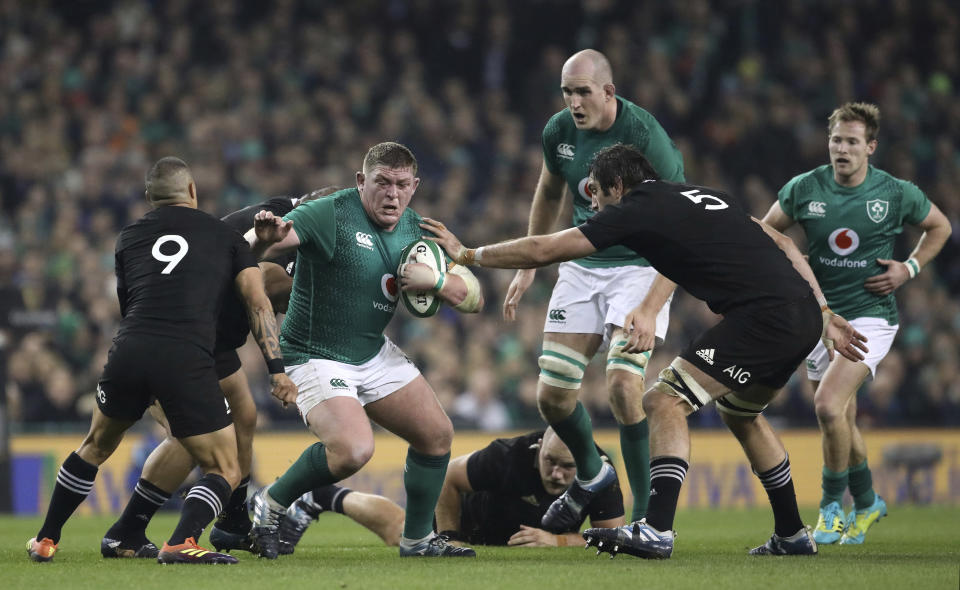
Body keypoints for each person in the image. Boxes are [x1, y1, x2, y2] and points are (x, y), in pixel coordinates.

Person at [422, 143, 867, 558]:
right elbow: (785, 243)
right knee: (742, 414)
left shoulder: (635, 207)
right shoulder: (703, 195)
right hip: (803, 315)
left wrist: (468, 254)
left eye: (595, 192)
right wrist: (825, 314)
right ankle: (791, 534)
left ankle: (656, 528)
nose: (592, 203)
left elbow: (547, 248)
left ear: (617, 186)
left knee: (661, 399)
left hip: (763, 317)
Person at [26, 157, 297, 565]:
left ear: (150, 198)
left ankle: (47, 539)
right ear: (192, 191)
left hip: (130, 347)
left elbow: (128, 302)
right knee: (226, 464)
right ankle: (181, 542)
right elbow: (258, 305)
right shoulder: (224, 235)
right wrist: (278, 371)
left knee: (95, 445)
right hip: (186, 357)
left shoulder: (128, 236)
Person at [246, 141, 484, 559]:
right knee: (353, 450)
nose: (392, 193)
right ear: (361, 181)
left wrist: (439, 282)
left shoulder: (417, 229)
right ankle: (269, 503)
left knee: (437, 436)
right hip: (313, 352)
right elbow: (267, 243)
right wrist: (262, 244)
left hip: (371, 352)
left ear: (415, 186)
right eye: (382, 183)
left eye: (402, 185)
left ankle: (417, 540)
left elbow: (474, 297)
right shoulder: (331, 213)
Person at [503, 49, 685, 530]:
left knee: (624, 386)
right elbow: (549, 192)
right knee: (552, 398)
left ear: (609, 91)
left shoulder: (646, 136)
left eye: (583, 91)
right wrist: (528, 266)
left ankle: (647, 522)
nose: (573, 102)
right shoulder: (559, 131)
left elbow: (680, 220)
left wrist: (651, 305)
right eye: (566, 92)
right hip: (582, 262)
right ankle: (594, 474)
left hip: (638, 266)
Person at [100, 189, 337, 559]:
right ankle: (133, 531)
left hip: (212, 337)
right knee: (195, 438)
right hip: (186, 335)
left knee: (244, 416)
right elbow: (266, 298)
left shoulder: (280, 219)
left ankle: (232, 523)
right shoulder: (280, 241)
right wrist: (280, 368)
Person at [761, 102, 952, 545]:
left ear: (870, 146)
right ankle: (867, 502)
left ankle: (831, 509)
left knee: (828, 406)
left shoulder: (894, 193)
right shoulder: (804, 188)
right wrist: (790, 257)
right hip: (820, 318)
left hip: (871, 316)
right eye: (835, 140)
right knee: (842, 418)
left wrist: (909, 268)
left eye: (851, 141)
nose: (841, 149)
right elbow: (766, 230)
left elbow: (939, 227)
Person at [279, 428, 625, 551]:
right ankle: (324, 495)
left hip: (516, 534)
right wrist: (449, 535)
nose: (558, 474)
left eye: (569, 468)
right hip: (473, 523)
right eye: (551, 461)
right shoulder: (507, 455)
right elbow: (447, 476)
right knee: (399, 532)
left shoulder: (601, 472)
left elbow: (610, 537)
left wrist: (557, 541)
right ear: (538, 449)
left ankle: (324, 496)